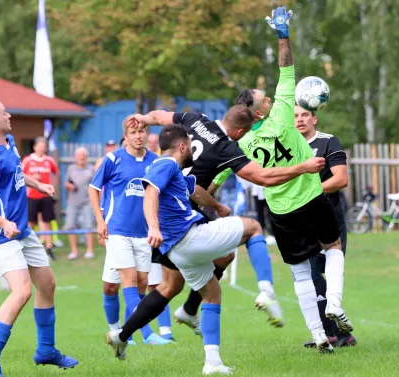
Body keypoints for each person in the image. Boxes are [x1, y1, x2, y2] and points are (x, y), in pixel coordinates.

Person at [106, 124, 304, 374]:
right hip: (190, 237)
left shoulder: (172, 171)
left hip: (178, 250)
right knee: (253, 227)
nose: (191, 149)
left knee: (212, 294)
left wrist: (218, 207)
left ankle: (211, 362)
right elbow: (150, 193)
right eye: (189, 144)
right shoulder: (165, 165)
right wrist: (154, 227)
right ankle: (267, 291)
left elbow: (196, 191)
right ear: (181, 146)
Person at [212, 6, 352, 352]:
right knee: (333, 249)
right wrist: (282, 33)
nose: (271, 98)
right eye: (265, 99)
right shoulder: (284, 114)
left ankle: (319, 335)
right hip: (311, 197)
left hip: (281, 211)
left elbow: (218, 176)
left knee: (301, 272)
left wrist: (207, 200)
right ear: (258, 111)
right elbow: (286, 66)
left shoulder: (239, 143)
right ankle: (333, 302)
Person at [127, 101, 325, 334]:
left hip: (178, 211)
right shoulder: (226, 148)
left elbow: (161, 116)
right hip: (179, 218)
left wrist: (143, 118)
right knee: (174, 285)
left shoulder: (196, 119)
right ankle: (264, 292)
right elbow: (264, 178)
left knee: (221, 258)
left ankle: (169, 319)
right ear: (240, 132)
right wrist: (303, 167)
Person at [0, 98, 77, 377]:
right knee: (22, 291)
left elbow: (14, 172)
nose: (9, 114)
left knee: (48, 285)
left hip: (22, 230)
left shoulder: (9, 142)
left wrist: (37, 183)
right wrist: (3, 222)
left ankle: (46, 351)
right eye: (4, 113)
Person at [88, 116, 171, 346]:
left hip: (144, 233)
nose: (138, 136)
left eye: (142, 131)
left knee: (141, 282)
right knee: (127, 281)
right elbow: (93, 189)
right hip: (117, 231)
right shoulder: (112, 159)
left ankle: (123, 333)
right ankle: (144, 334)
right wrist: (100, 221)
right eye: (133, 132)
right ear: (125, 135)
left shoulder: (156, 162)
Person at [294, 105, 356, 348]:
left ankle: (335, 333)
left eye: (304, 115)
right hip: (300, 221)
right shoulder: (288, 146)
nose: (300, 120)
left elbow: (341, 179)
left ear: (314, 118)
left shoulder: (329, 142)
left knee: (326, 277)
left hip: (329, 218)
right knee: (310, 277)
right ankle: (333, 333)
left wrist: (309, 192)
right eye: (296, 116)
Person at [21, 137, 59, 260]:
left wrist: (53, 185)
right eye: (40, 146)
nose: (42, 148)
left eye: (44, 146)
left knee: (47, 222)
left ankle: (49, 249)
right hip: (32, 195)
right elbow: (20, 175)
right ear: (35, 147)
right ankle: (28, 248)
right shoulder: (27, 160)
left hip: (46, 196)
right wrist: (33, 178)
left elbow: (56, 172)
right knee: (31, 222)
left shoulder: (49, 160)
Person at [64, 146, 95, 260]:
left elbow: (96, 186)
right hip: (73, 201)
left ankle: (90, 250)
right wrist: (69, 186)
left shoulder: (91, 169)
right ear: (75, 157)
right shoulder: (71, 168)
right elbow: (66, 183)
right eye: (79, 155)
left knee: (88, 225)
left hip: (87, 201)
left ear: (86, 157)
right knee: (70, 225)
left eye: (83, 156)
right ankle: (74, 251)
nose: (81, 157)